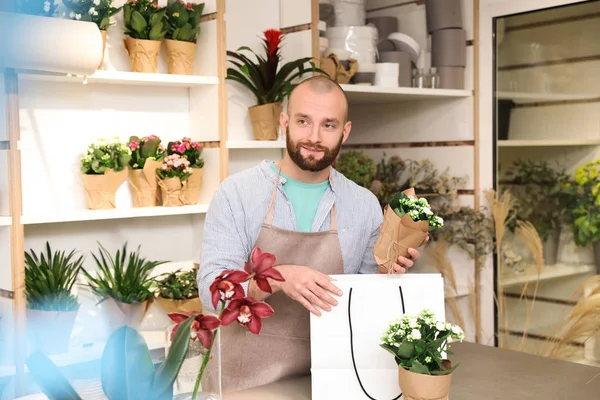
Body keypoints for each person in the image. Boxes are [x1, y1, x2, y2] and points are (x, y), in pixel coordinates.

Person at [198, 75, 428, 393]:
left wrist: (391, 266)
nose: (314, 137)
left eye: (328, 125)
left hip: (332, 380)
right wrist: (277, 278)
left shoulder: (363, 205)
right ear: (285, 122)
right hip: (245, 383)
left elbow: (363, 304)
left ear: (345, 131)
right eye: (303, 121)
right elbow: (213, 294)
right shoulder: (238, 193)